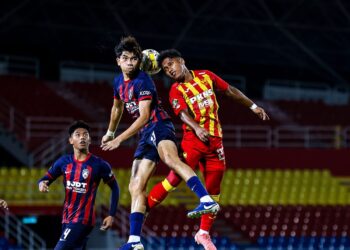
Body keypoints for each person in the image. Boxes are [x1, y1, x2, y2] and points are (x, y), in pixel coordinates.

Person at [101, 36, 219, 250]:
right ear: (118, 61)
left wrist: (119, 138)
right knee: (135, 186)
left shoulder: (143, 80)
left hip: (159, 125)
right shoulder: (118, 82)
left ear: (140, 61)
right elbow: (117, 108)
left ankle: (206, 200)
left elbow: (145, 116)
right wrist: (110, 132)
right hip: (144, 135)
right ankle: (135, 241)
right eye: (125, 58)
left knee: (170, 159)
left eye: (134, 59)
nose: (130, 62)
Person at [146, 49, 269, 250]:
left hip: (215, 142)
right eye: (165, 69)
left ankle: (203, 233)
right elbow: (182, 114)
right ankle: (144, 209)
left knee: (214, 190)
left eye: (171, 65)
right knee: (174, 180)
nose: (169, 70)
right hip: (193, 142)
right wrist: (197, 127)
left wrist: (253, 106)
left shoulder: (206, 76)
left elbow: (229, 90)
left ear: (182, 60)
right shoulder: (176, 90)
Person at [38, 120, 119, 250]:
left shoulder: (99, 164)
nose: (82, 137)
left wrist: (111, 214)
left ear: (90, 140)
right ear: (71, 140)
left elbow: (115, 188)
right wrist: (42, 184)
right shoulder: (64, 162)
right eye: (78, 134)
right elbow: (45, 178)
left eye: (85, 134)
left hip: (83, 219)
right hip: (66, 219)